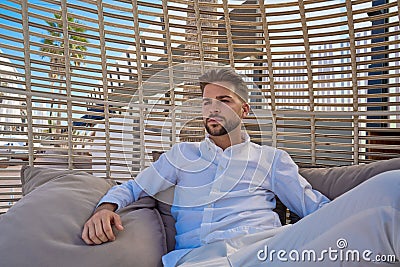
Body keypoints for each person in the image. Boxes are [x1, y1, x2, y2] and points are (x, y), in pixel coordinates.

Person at [82, 68, 399, 266]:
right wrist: (104, 208)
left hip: (271, 249)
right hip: (202, 259)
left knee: (390, 187)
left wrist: (353, 217)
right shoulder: (181, 155)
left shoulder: (271, 159)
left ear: (244, 110)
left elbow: (316, 210)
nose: (212, 109)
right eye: (207, 102)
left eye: (224, 101)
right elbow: (133, 187)